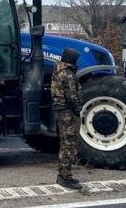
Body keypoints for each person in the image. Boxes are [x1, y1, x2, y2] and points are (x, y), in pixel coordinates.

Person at [51, 47, 83, 190]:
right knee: (68, 144)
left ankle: (65, 175)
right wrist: (77, 111)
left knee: (65, 142)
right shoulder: (68, 74)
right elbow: (72, 96)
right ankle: (65, 177)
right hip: (68, 112)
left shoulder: (58, 71)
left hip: (60, 110)